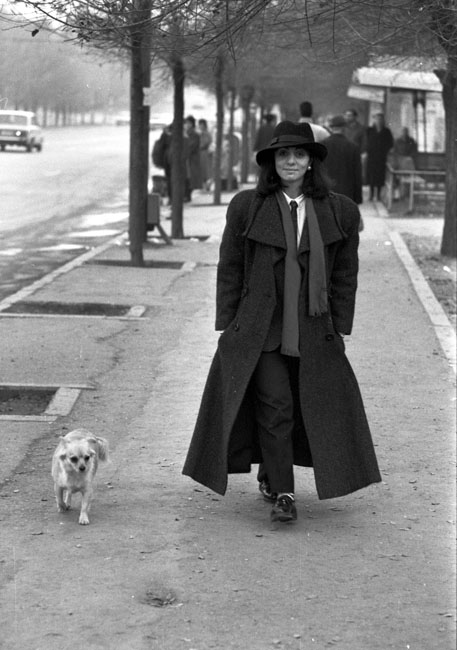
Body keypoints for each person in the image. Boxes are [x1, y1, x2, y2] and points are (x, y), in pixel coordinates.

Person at [182, 120, 381, 524]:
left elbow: (345, 274)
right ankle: (286, 494)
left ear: (311, 162)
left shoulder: (340, 210)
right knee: (277, 405)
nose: (291, 161)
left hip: (314, 329)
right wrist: (230, 323)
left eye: (299, 154)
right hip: (261, 331)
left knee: (308, 406)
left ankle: (273, 476)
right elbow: (230, 267)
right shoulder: (247, 206)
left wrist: (340, 325)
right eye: (283, 154)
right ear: (272, 162)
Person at [323, 114, 363, 205]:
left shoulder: (322, 145)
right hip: (347, 195)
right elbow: (357, 175)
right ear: (344, 128)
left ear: (331, 128)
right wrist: (358, 199)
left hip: (327, 194)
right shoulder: (353, 147)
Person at [364, 112, 394, 201]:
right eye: (377, 119)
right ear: (374, 120)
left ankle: (378, 196)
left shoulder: (386, 131)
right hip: (371, 157)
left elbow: (390, 143)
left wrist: (385, 151)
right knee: (371, 176)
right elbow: (366, 142)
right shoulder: (369, 130)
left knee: (380, 176)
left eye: (381, 119)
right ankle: (371, 194)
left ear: (383, 121)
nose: (379, 121)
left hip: (381, 157)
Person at [184, 115, 202, 201]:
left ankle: (188, 195)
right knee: (188, 177)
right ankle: (187, 195)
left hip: (191, 160)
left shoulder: (194, 134)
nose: (187, 124)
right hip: (188, 159)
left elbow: (191, 146)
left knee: (190, 178)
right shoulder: (186, 133)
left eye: (188, 123)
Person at [198, 118, 213, 191]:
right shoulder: (202, 133)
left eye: (201, 124)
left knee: (206, 170)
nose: (200, 126)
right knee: (204, 170)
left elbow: (206, 143)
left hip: (205, 153)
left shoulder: (206, 133)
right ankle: (205, 185)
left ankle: (207, 185)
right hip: (203, 153)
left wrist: (200, 146)